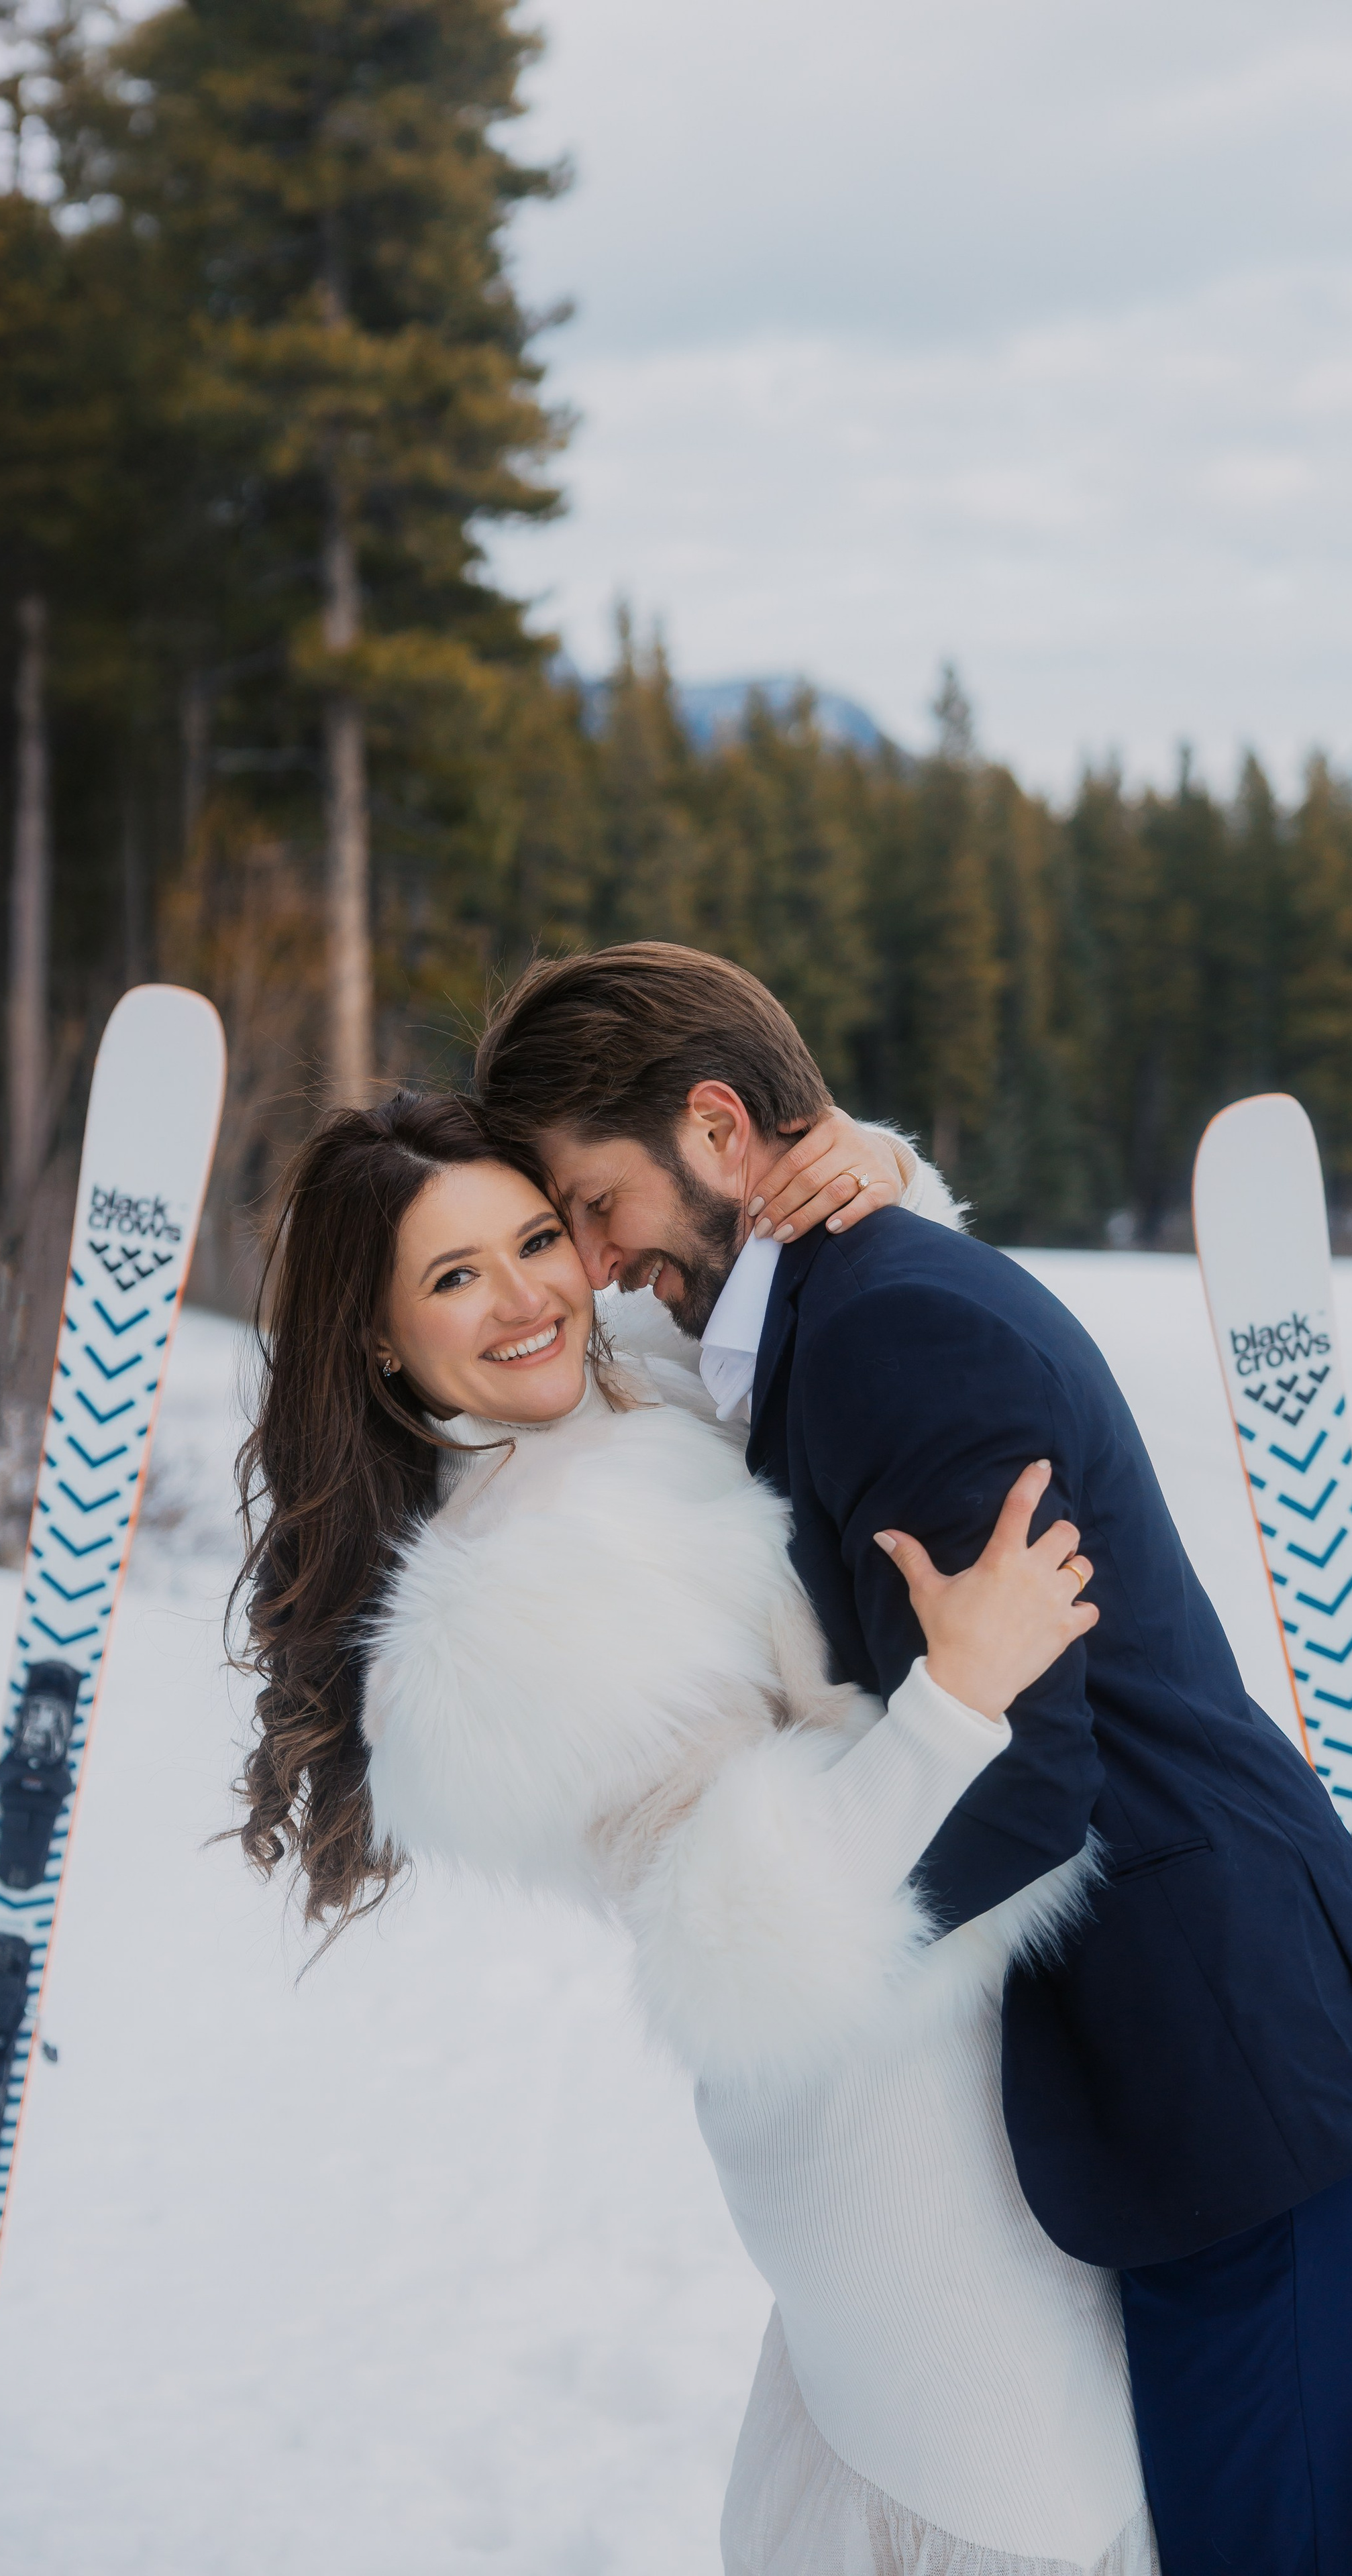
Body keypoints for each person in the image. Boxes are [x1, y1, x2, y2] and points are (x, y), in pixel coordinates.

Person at [472, 941, 1352, 2576]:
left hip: (1235, 2068)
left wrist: (771, 1940)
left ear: (718, 1132)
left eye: (585, 1207)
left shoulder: (886, 1328)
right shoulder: (835, 1303)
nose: (586, 1266)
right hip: (1179, 2066)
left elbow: (1023, 1774)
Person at [233, 1090, 1159, 2576]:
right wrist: (957, 1698)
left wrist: (866, 1174)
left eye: (535, 1237)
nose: (528, 1296)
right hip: (877, 2110)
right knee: (1012, 2482)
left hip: (957, 2038)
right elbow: (741, 1929)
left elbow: (804, 1324)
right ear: (376, 1338)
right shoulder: (504, 1605)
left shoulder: (628, 1392)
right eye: (453, 1276)